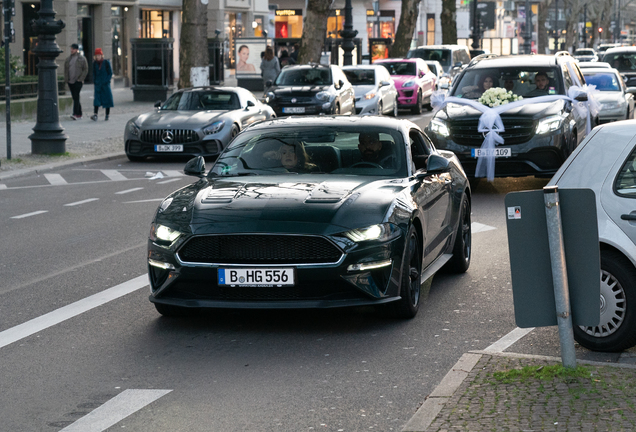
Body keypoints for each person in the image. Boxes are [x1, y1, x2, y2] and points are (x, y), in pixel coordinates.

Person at [64, 43, 89, 120]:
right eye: (71, 49)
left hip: (78, 81)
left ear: (77, 50)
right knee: (75, 97)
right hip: (70, 81)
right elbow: (66, 70)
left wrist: (81, 79)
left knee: (76, 96)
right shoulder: (68, 59)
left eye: (73, 49)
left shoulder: (82, 59)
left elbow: (85, 69)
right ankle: (79, 114)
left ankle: (75, 114)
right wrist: (66, 79)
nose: (71, 50)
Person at [90, 48, 114, 121]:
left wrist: (107, 80)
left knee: (107, 99)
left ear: (101, 55)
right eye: (97, 55)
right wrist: (95, 81)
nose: (98, 57)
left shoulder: (106, 62)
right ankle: (95, 114)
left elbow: (110, 73)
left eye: (99, 55)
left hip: (105, 84)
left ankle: (107, 115)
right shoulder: (94, 63)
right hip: (98, 84)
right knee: (96, 100)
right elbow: (93, 73)